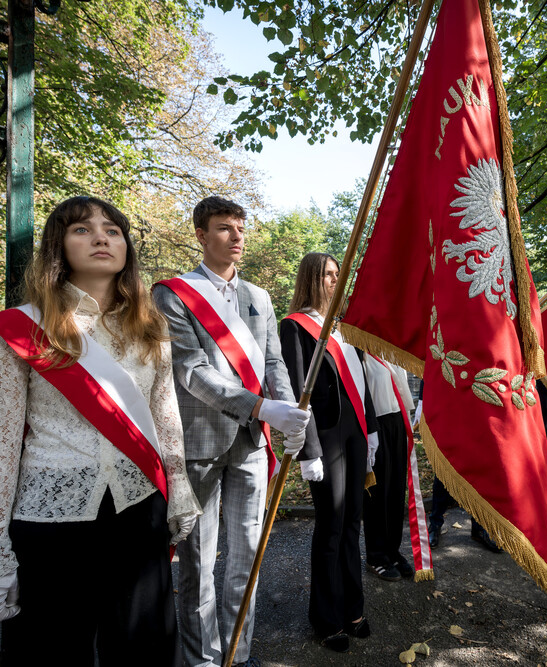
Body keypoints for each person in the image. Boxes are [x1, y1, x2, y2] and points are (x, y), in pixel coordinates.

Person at [0, 196, 201, 666]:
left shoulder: (151, 328)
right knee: (51, 651)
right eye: (82, 229)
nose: (101, 237)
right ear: (58, 247)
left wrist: (180, 485)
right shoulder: (20, 331)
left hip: (139, 508)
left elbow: (166, 414)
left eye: (112, 229)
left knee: (144, 647)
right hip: (51, 520)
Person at [152, 197, 309, 667]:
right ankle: (200, 658)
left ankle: (236, 652)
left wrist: (291, 412)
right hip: (199, 443)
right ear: (201, 235)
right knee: (198, 561)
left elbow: (275, 363)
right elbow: (192, 372)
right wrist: (264, 407)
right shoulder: (173, 295)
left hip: (252, 443)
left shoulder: (259, 297)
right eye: (224, 228)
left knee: (248, 554)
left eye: (240, 228)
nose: (236, 237)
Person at [279, 253, 379, 653]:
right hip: (326, 436)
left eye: (338, 275)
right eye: (327, 275)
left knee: (353, 523)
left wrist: (370, 429)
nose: (334, 282)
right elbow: (297, 393)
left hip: (354, 431)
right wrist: (309, 451)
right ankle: (326, 617)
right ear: (310, 279)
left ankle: (353, 608)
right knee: (331, 527)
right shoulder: (295, 327)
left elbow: (361, 381)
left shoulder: (341, 327)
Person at [361, 355, 416, 581]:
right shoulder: (356, 349)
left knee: (395, 489)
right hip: (374, 424)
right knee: (377, 492)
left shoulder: (388, 347)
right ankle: (375, 555)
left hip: (396, 421)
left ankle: (392, 551)